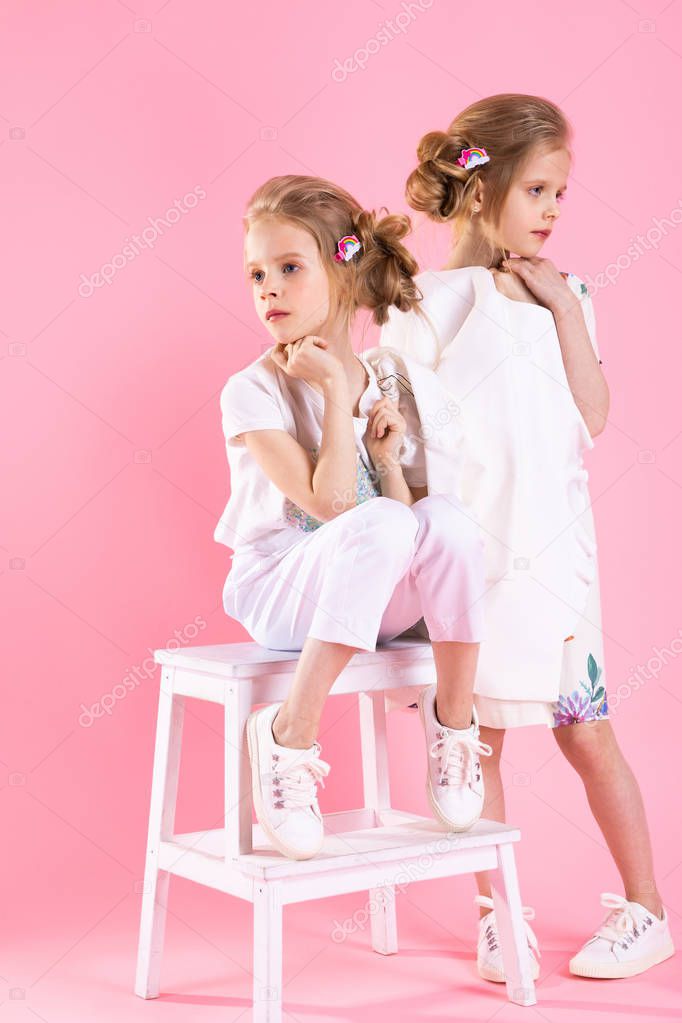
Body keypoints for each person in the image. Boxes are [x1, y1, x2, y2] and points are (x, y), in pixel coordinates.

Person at [380, 93, 675, 980]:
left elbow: (593, 414)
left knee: (588, 733)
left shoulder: (569, 294)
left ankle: (647, 906)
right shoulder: (429, 301)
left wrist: (566, 313)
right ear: (481, 192)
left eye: (560, 194)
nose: (552, 210)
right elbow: (398, 428)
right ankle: (496, 912)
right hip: (474, 564)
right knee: (478, 742)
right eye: (538, 190)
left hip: (558, 562)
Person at [214, 174, 490, 862]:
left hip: (359, 594)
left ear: (343, 275)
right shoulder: (250, 391)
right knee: (391, 525)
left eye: (288, 268)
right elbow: (333, 507)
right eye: (256, 274)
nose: (268, 288)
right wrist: (336, 390)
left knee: (447, 520)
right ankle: (289, 732)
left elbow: (396, 530)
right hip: (280, 591)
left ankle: (452, 718)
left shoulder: (381, 380)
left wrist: (388, 461)